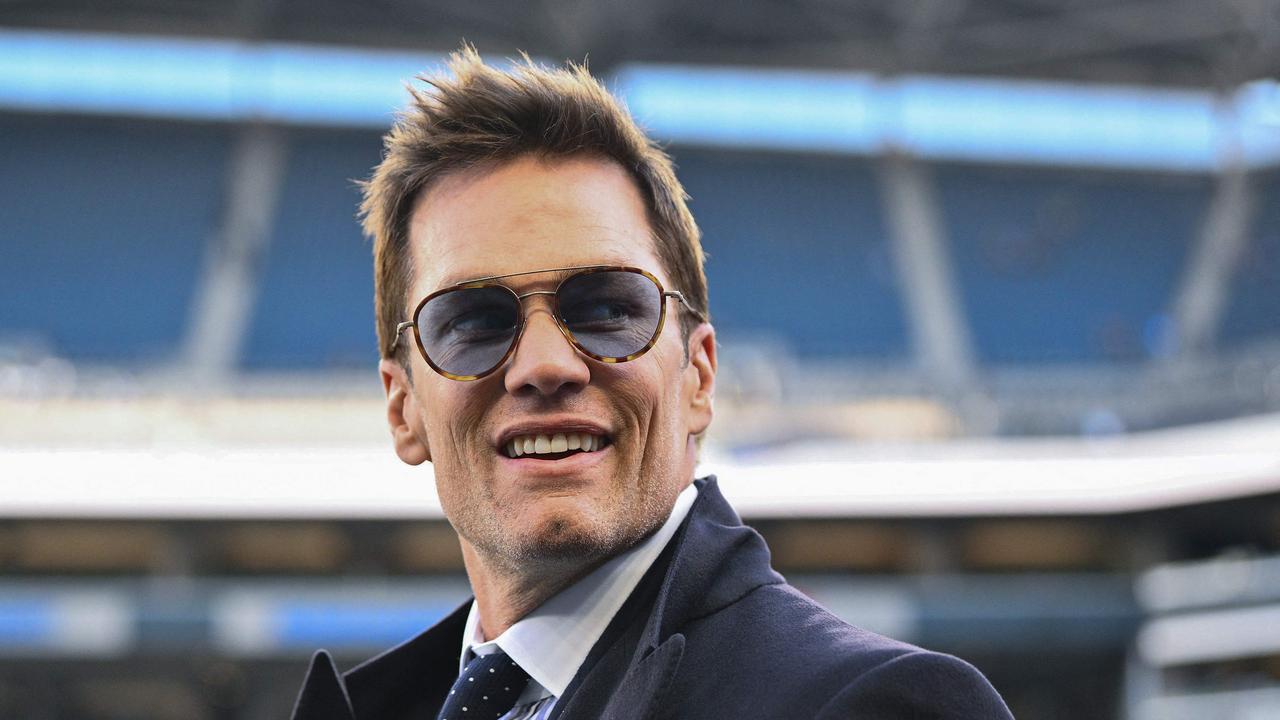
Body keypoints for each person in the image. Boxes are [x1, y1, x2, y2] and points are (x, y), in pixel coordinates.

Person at [291, 46, 1013, 720]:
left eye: (607, 309)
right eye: (473, 322)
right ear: (403, 407)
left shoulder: (880, 704)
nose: (545, 364)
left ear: (699, 374)